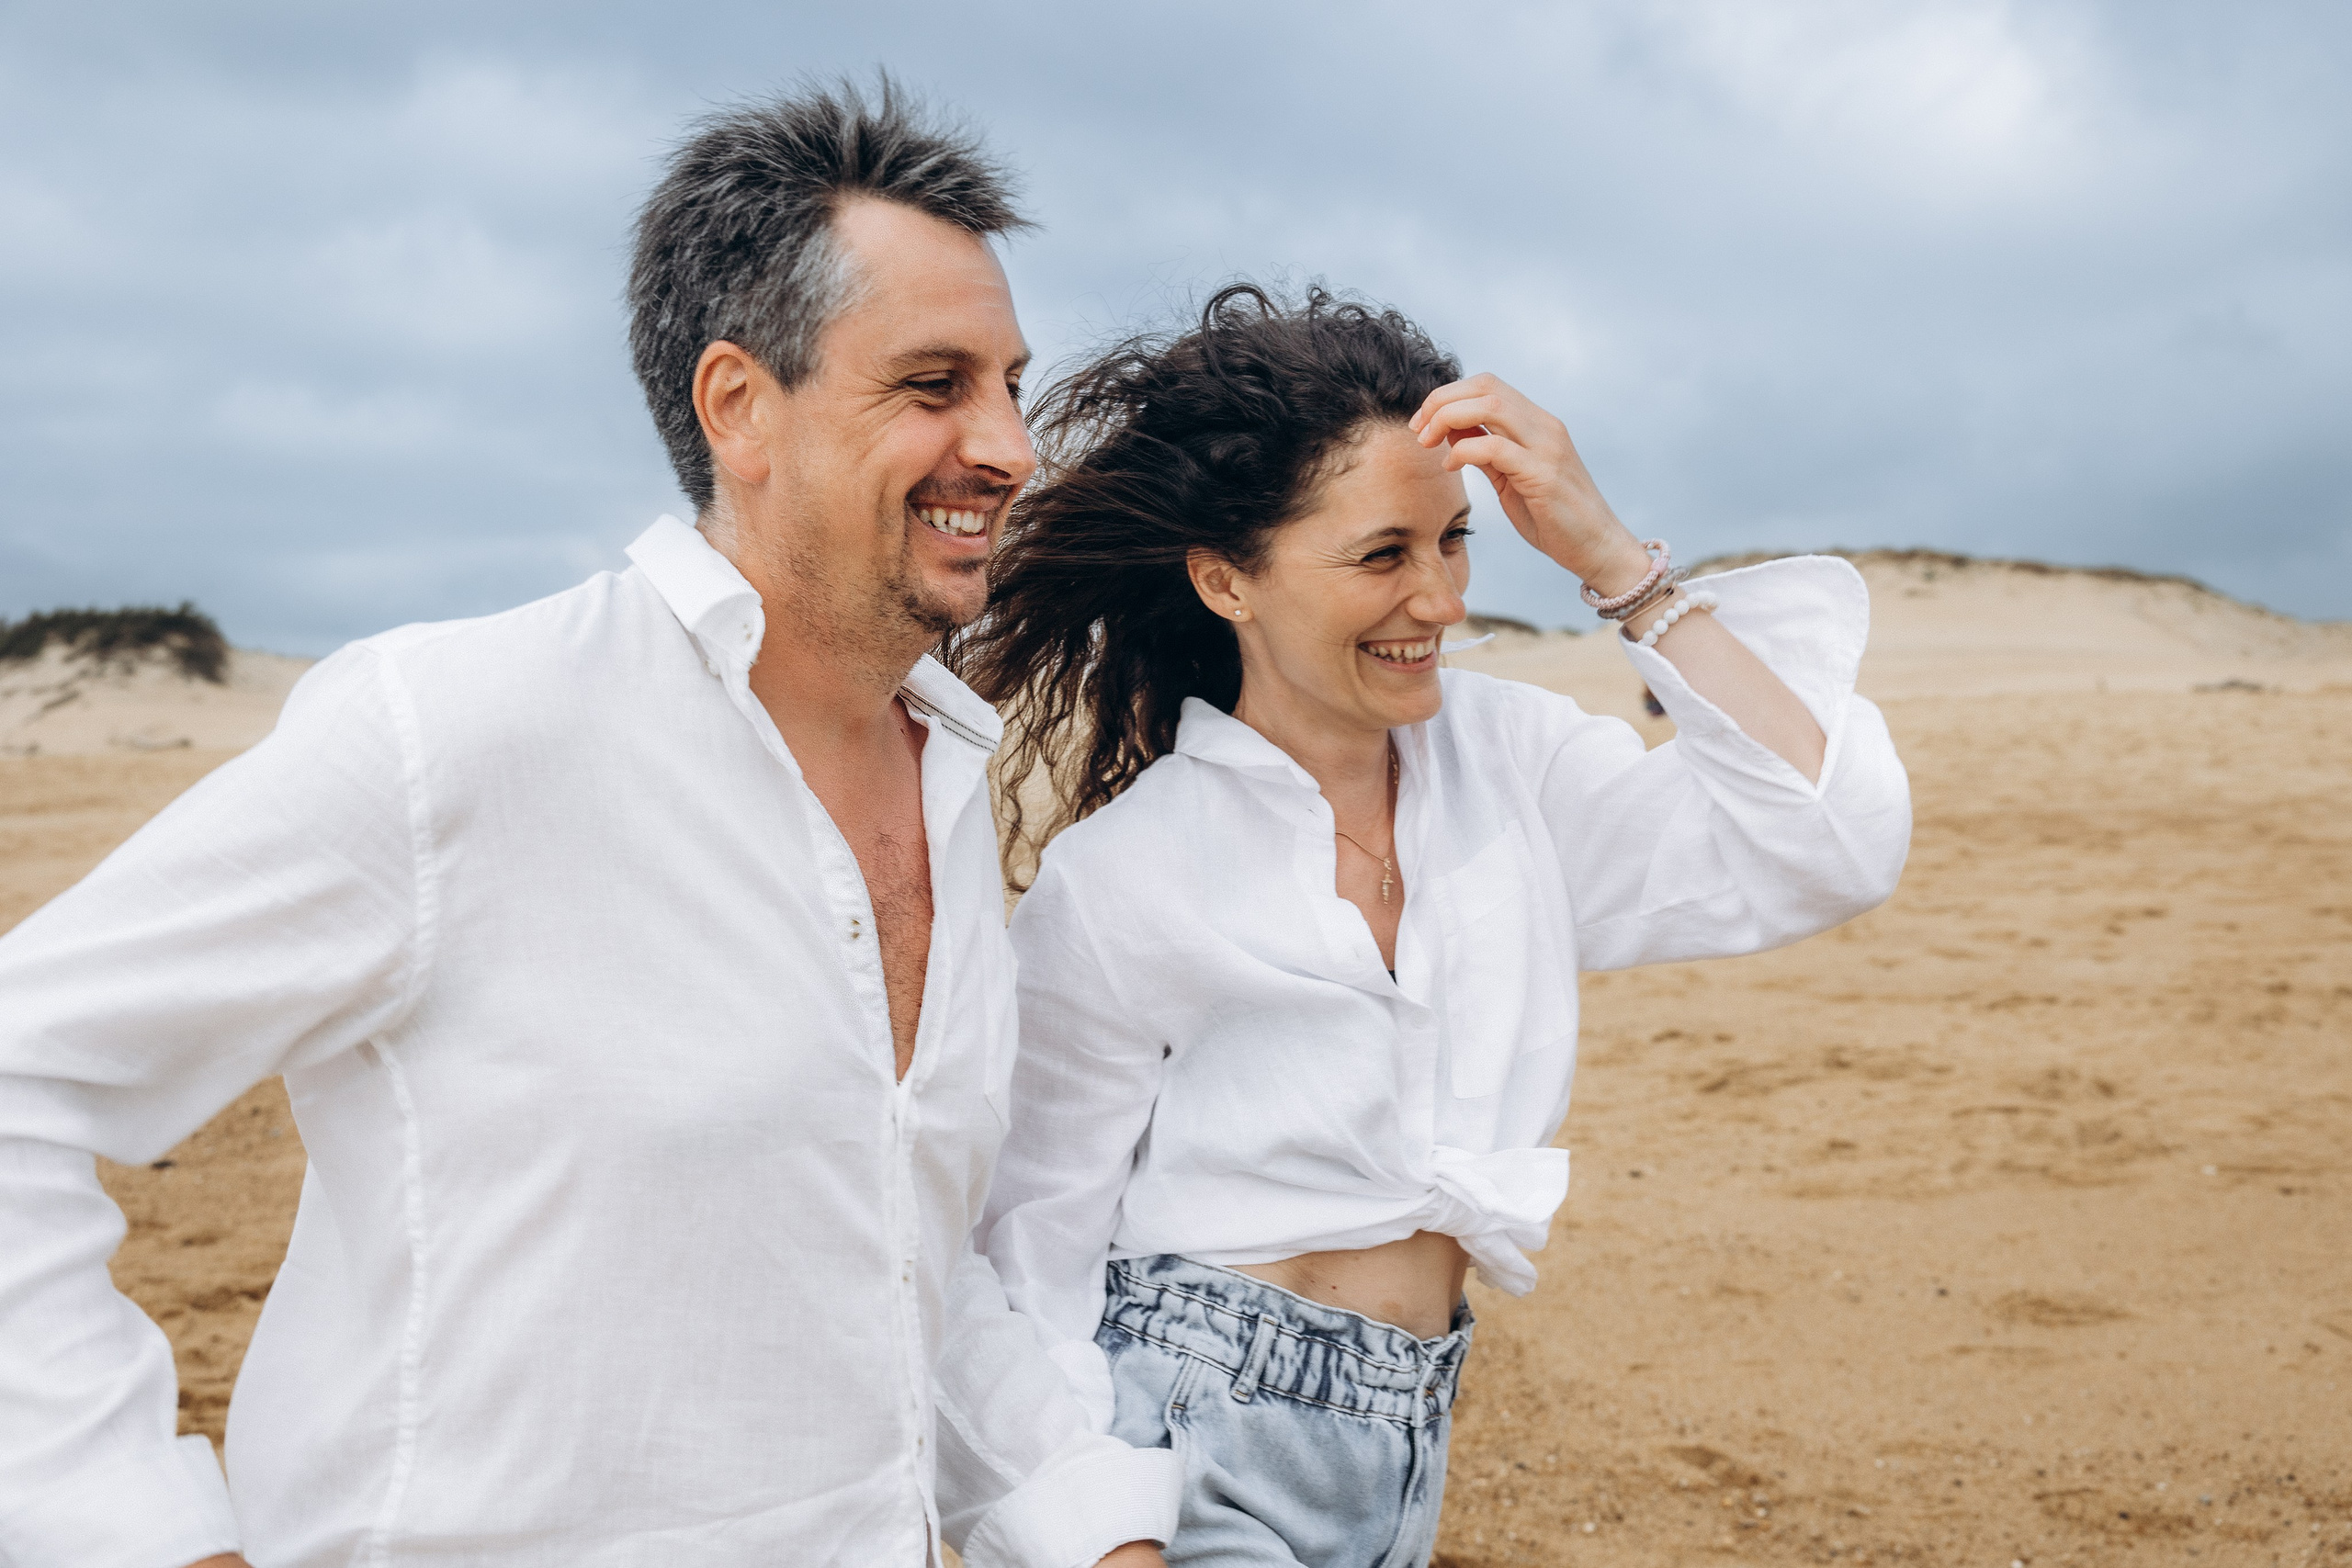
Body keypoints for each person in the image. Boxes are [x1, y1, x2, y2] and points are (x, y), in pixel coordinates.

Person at [0, 83, 1175, 1568]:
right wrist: (137, 1532)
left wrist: (1082, 1523)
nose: (1009, 443)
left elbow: (893, 1262)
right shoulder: (456, 729)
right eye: (935, 384)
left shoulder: (951, 787)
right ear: (740, 407)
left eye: (1012, 381)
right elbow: (21, 1074)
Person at [960, 286, 1911, 1566]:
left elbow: (1824, 845)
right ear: (1224, 578)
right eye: (1382, 555)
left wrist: (1615, 564)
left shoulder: (1517, 767)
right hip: (1190, 1432)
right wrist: (1102, 1543)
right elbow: (1030, 1252)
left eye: (1454, 541)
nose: (1443, 601)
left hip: (1405, 1442)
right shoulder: (1121, 881)